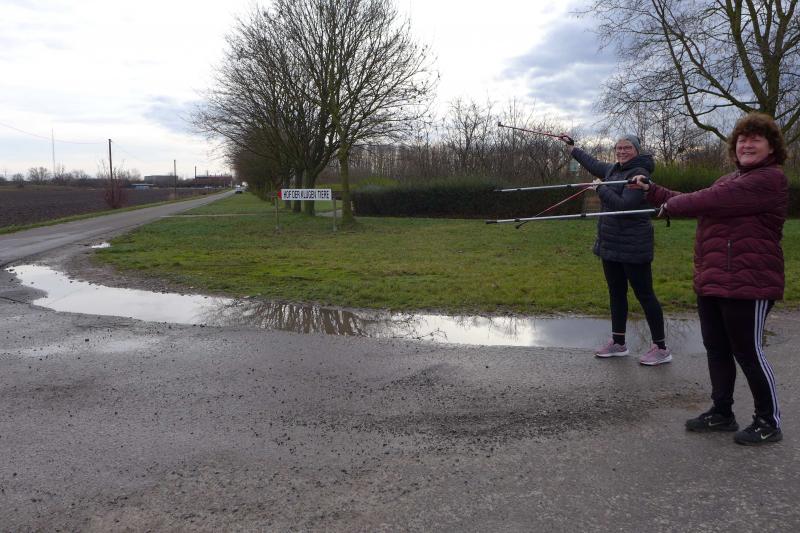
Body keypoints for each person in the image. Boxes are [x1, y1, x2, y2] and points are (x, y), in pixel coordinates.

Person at [630, 112, 787, 445]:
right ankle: (722, 412)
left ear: (771, 147)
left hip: (750, 282)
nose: (747, 145)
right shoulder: (730, 180)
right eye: (742, 140)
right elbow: (702, 200)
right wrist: (653, 191)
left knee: (748, 352)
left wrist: (671, 207)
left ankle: (768, 421)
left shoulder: (769, 179)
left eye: (755, 140)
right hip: (714, 277)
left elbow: (708, 200)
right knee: (716, 349)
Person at [559, 134, 670, 365]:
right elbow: (593, 163)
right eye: (618, 148)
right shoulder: (612, 170)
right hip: (610, 243)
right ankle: (618, 343)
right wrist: (572, 148)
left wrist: (600, 189)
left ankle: (661, 348)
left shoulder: (639, 173)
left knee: (645, 295)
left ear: (636, 150)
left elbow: (624, 206)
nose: (621, 151)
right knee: (616, 293)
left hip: (633, 245)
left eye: (627, 148)